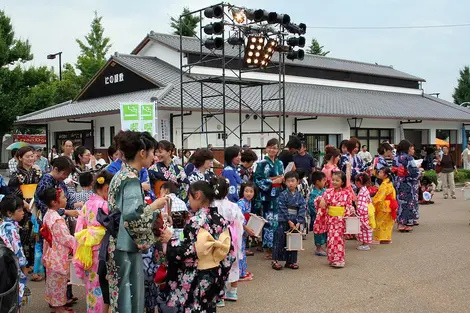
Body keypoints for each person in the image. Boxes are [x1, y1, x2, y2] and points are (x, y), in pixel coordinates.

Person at [106, 131, 169, 312]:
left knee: (120, 295)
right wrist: (155, 207)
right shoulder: (132, 180)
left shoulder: (120, 175)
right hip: (126, 245)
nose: (154, 157)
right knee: (130, 297)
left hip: (116, 242)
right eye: (152, 152)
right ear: (142, 153)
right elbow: (134, 217)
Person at [162, 180, 235, 313]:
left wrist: (169, 240)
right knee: (209, 308)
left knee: (194, 308)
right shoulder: (221, 220)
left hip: (197, 277)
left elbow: (185, 252)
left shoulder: (196, 221)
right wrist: (221, 274)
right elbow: (229, 254)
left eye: (189, 197)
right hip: (214, 274)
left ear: (197, 195)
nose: (189, 201)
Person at [73, 171, 113, 313]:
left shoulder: (87, 204)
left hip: (87, 250)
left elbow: (79, 228)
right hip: (102, 250)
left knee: (91, 285)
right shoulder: (105, 205)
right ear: (107, 189)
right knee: (103, 285)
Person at [39, 187, 76, 313]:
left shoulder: (48, 214)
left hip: (50, 252)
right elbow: (65, 238)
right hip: (58, 255)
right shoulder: (57, 220)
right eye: (64, 197)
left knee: (53, 281)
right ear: (55, 202)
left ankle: (56, 306)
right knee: (59, 283)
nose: (66, 199)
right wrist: (78, 242)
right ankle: (59, 309)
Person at [8, 146, 42, 269]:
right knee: (24, 234)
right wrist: (23, 203)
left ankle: (36, 264)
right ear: (20, 158)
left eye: (32, 156)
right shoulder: (16, 175)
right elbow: (12, 192)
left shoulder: (37, 172)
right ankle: (24, 263)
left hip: (35, 205)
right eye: (27, 156)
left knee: (36, 234)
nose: (30, 159)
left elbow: (41, 189)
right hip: (23, 207)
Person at [211, 177, 244, 304]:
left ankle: (220, 294)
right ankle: (233, 291)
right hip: (232, 236)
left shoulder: (212, 205)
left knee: (218, 264)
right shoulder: (232, 205)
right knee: (233, 263)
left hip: (218, 237)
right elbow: (240, 220)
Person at [314, 170, 354, 268]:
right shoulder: (327, 192)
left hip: (341, 220)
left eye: (337, 180)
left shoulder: (346, 193)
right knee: (331, 240)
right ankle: (332, 259)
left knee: (338, 240)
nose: (334, 182)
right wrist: (321, 200)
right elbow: (318, 201)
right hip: (331, 220)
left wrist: (348, 212)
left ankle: (339, 259)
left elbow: (349, 206)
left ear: (342, 182)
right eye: (333, 180)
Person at [253, 138, 284, 256]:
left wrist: (281, 180)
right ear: (266, 149)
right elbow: (257, 179)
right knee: (269, 221)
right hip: (267, 196)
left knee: (278, 221)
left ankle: (277, 246)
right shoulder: (261, 163)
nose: (272, 150)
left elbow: (282, 176)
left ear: (278, 150)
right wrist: (272, 181)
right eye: (270, 147)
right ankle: (269, 248)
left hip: (278, 194)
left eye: (275, 148)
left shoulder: (280, 163)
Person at [272, 171, 306, 270]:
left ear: (298, 182)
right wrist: (288, 220)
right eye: (288, 181)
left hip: (295, 220)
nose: (290, 183)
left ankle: (290, 261)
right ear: (285, 182)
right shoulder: (283, 195)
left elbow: (303, 207)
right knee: (280, 240)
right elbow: (282, 207)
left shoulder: (299, 196)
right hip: (284, 220)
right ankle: (275, 260)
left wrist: (299, 221)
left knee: (293, 240)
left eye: (293, 181)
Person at [0, 194, 28, 308]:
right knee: (16, 294)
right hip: (12, 264)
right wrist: (24, 266)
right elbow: (17, 250)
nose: (23, 213)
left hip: (5, 263)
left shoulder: (3, 225)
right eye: (20, 210)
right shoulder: (11, 229)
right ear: (9, 213)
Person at [394, 140, 421, 232]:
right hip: (407, 183)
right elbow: (414, 172)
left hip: (398, 182)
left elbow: (393, 170)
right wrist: (420, 173)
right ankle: (402, 224)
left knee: (400, 203)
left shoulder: (396, 157)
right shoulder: (408, 158)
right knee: (407, 203)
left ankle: (400, 222)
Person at [237, 182, 256, 281]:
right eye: (246, 191)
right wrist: (247, 228)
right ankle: (239, 273)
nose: (249, 193)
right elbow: (239, 219)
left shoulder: (248, 202)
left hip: (243, 229)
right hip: (239, 228)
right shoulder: (241, 203)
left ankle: (243, 271)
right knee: (240, 251)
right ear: (242, 192)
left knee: (242, 250)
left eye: (251, 191)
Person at [372, 168, 397, 243]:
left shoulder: (384, 185)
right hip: (389, 204)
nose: (379, 173)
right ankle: (386, 238)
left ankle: (379, 238)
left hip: (384, 205)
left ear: (385, 175)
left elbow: (380, 197)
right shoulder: (389, 183)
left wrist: (373, 202)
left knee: (380, 222)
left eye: (381, 173)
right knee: (387, 222)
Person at [308, 171, 327, 256]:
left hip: (326, 215)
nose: (325, 182)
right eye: (323, 180)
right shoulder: (313, 194)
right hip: (318, 216)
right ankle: (318, 248)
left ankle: (325, 246)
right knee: (318, 232)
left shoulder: (325, 191)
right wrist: (317, 213)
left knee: (326, 231)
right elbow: (312, 205)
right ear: (317, 182)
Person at [355, 173, 372, 251]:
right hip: (367, 211)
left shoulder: (362, 192)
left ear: (358, 182)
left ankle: (366, 244)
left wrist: (358, 211)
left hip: (363, 212)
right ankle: (365, 243)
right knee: (365, 228)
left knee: (364, 229)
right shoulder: (364, 189)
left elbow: (361, 204)